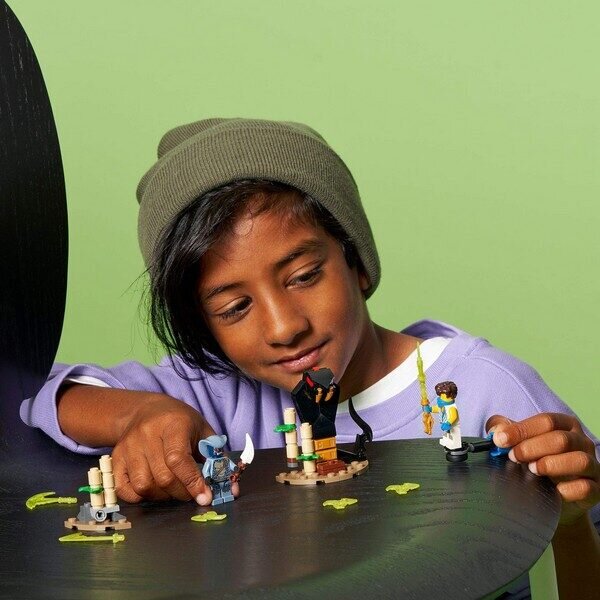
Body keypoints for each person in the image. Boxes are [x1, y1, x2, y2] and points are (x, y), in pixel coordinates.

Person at [20, 118, 599, 598]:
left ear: (357, 262)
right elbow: (39, 391)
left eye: (303, 275)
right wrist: (140, 415)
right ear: (204, 331)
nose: (284, 327)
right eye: (234, 307)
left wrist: (572, 522)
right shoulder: (212, 392)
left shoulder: (487, 389)